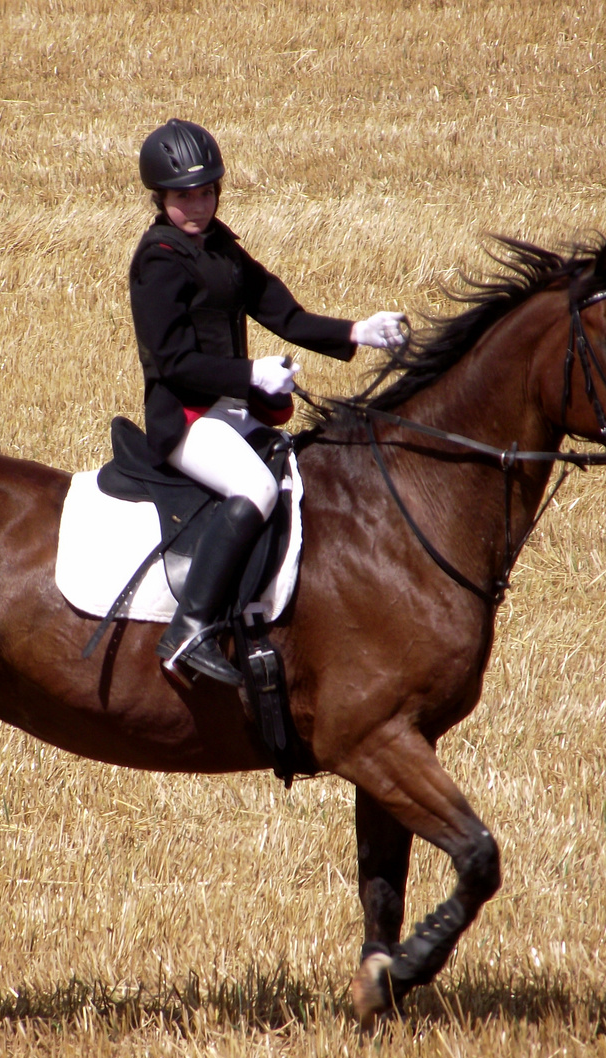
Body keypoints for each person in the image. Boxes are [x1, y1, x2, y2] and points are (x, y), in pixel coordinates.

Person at [130, 118, 408, 687]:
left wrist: (358, 331)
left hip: (230, 409)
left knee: (301, 476)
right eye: (184, 196)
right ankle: (189, 628)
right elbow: (173, 360)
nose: (198, 205)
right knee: (254, 487)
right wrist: (252, 373)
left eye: (206, 192)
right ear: (160, 198)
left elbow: (285, 315)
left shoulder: (224, 251)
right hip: (184, 420)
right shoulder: (158, 260)